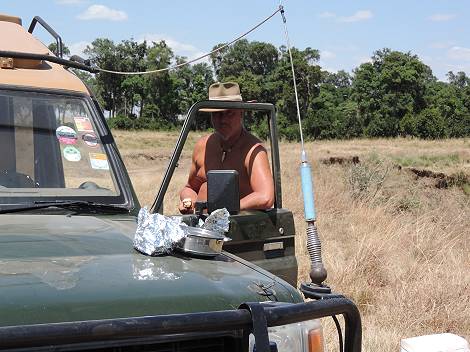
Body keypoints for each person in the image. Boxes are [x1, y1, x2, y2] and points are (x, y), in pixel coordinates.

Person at [179, 82, 274, 214]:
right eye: (217, 113)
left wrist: (221, 210)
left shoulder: (253, 151)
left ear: (241, 113)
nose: (222, 119)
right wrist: (189, 202)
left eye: (229, 113)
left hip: (238, 230)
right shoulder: (202, 146)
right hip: (200, 229)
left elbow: (265, 197)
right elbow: (189, 188)